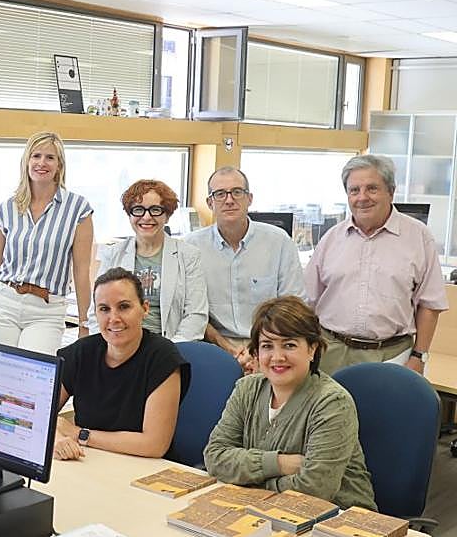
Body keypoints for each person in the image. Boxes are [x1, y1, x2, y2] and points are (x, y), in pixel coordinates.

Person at [204, 296, 375, 509]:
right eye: (267, 346)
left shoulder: (333, 403)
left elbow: (314, 490)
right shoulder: (246, 389)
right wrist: (279, 463)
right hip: (263, 511)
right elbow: (215, 457)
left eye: (289, 345)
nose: (277, 357)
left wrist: (246, 481)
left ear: (312, 349)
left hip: (337, 517)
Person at [305, 154, 449, 375]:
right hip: (330, 352)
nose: (362, 197)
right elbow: (308, 301)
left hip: (391, 355)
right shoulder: (331, 238)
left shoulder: (419, 237)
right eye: (354, 190)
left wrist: (419, 357)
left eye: (372, 188)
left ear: (391, 191)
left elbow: (430, 305)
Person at [50, 267, 189, 461]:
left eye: (124, 307)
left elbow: (154, 445)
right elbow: (39, 412)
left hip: (143, 465)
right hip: (88, 460)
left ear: (145, 309)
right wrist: (57, 437)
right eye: (104, 309)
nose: (114, 318)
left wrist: (80, 434)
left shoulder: (163, 357)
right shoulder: (81, 352)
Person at [0, 131, 94, 353]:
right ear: (27, 161)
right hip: (3, 302)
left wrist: (84, 324)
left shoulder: (78, 209)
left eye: (50, 157)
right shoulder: (7, 208)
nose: (42, 163)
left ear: (59, 165)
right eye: (36, 156)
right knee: (0, 369)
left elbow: (81, 271)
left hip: (46, 310)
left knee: (34, 371)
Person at [185, 166, 305, 372]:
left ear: (249, 199)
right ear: (210, 203)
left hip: (271, 345)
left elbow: (293, 305)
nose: (229, 200)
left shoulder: (279, 242)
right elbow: (191, 311)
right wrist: (228, 350)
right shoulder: (191, 247)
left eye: (237, 192)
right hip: (214, 347)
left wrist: (259, 349)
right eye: (220, 194)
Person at [93, 179, 207, 342]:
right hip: (120, 344)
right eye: (138, 210)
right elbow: (96, 310)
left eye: (155, 210)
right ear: (129, 215)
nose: (146, 217)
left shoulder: (189, 255)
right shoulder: (113, 254)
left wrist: (170, 350)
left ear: (167, 216)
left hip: (171, 344)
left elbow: (195, 315)